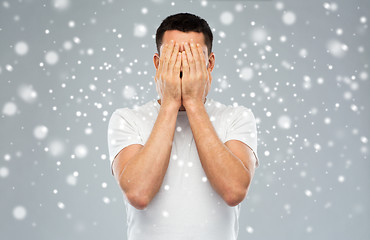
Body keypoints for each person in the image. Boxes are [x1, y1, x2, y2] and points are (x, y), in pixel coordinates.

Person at [107, 12, 259, 240]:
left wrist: (194, 102)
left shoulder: (236, 117)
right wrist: (169, 102)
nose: (183, 67)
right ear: (158, 64)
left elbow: (234, 191)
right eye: (174, 59)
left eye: (192, 59)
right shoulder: (127, 119)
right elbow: (138, 193)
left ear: (209, 64)